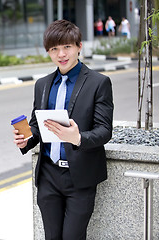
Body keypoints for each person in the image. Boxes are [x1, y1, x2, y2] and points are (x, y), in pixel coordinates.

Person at [13, 20, 114, 240]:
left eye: (67, 47)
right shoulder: (42, 84)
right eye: (54, 49)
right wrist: (26, 139)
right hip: (49, 175)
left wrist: (77, 138)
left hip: (79, 176)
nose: (61, 54)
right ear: (48, 52)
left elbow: (105, 130)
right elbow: (37, 126)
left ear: (79, 46)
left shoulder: (99, 83)